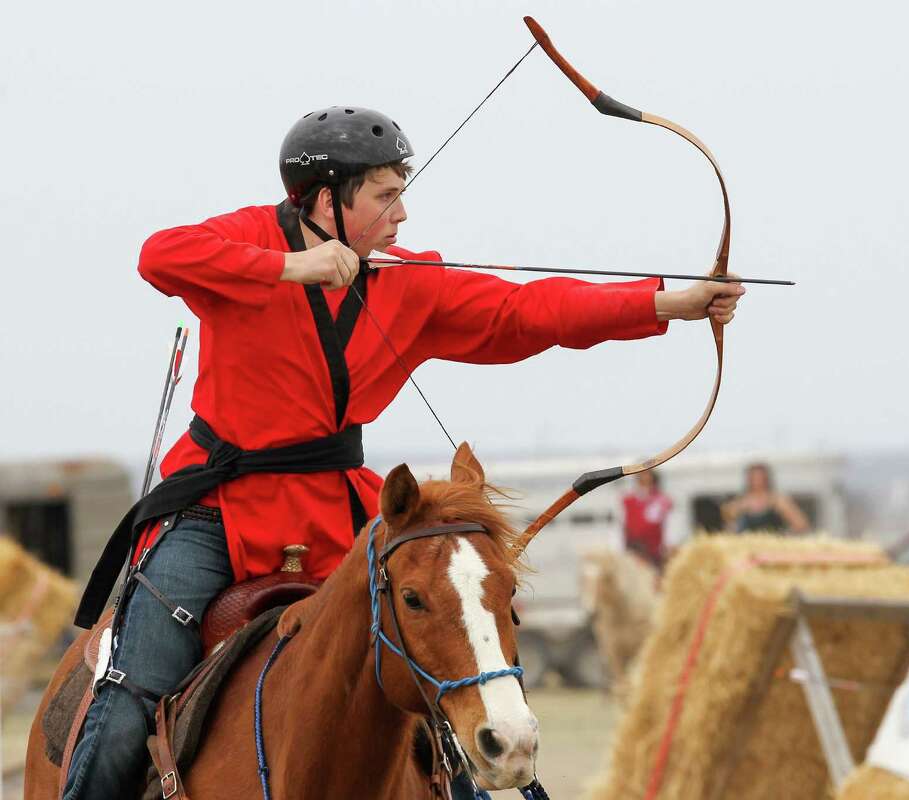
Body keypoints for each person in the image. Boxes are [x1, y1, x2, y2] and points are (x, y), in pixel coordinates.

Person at [63, 105, 744, 800]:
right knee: (124, 704)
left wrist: (667, 303)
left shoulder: (409, 280)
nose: (403, 213)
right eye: (386, 194)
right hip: (217, 511)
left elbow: (527, 312)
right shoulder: (250, 242)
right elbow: (160, 254)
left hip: (335, 512)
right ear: (327, 200)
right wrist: (291, 266)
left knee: (434, 688)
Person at [721, 462, 809, 534]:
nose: (757, 481)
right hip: (747, 547)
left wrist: (785, 535)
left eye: (759, 478)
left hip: (772, 548)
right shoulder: (740, 503)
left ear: (766, 479)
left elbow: (801, 525)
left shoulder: (778, 501)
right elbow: (727, 526)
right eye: (754, 478)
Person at [620, 470, 674, 568]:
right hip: (634, 550)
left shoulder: (662, 499)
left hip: (655, 550)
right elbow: (622, 525)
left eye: (647, 474)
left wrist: (668, 545)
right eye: (641, 474)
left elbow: (668, 524)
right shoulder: (627, 499)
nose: (644, 477)